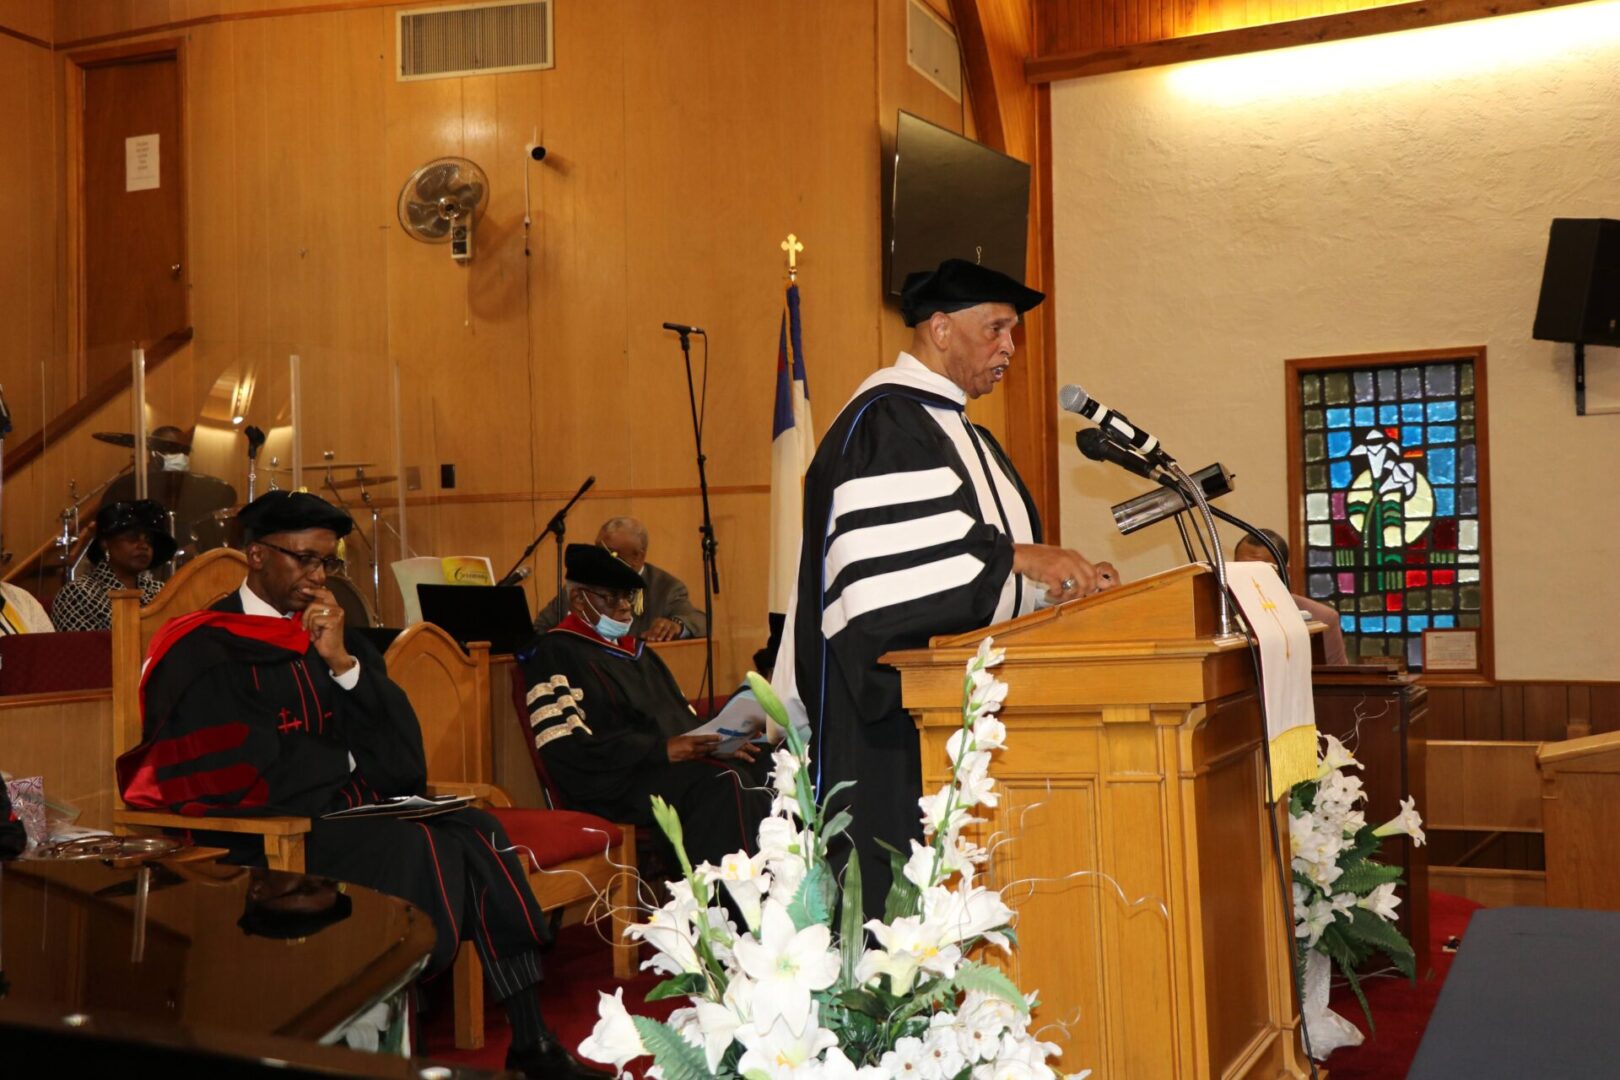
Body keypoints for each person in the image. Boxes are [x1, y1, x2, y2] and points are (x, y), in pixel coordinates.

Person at [115, 491, 606, 1080]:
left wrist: (344, 664)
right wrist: (348, 761)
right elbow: (222, 764)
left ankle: (532, 1041)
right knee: (424, 847)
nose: (318, 577)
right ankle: (398, 1049)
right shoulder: (205, 646)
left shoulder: (329, 631)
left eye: (328, 562)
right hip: (267, 831)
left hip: (348, 812)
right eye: (304, 559)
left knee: (478, 830)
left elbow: (403, 760)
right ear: (256, 555)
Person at [773, 258, 1119, 915]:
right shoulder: (884, 422)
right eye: (995, 329)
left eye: (1013, 332)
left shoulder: (970, 435)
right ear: (939, 329)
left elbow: (982, 579)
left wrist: (1061, 588)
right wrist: (1019, 558)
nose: (1010, 348)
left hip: (959, 715)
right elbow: (894, 588)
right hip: (894, 729)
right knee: (895, 916)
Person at [520, 544, 769, 869]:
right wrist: (661, 750)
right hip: (614, 784)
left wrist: (715, 743)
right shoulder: (555, 653)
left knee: (766, 765)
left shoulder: (638, 652)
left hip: (666, 769)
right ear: (579, 599)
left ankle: (782, 894)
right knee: (725, 784)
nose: (625, 607)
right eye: (612, 597)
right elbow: (565, 748)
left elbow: (676, 717)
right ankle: (723, 907)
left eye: (629, 597)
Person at [532, 517, 705, 642]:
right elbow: (540, 629)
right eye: (599, 550)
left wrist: (677, 625)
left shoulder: (666, 588)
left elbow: (699, 620)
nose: (601, 559)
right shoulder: (584, 587)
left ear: (638, 556)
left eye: (612, 553)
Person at [1233, 529, 1351, 666]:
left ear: (1283, 572)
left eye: (1261, 571)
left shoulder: (1322, 618)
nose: (1250, 578)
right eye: (1241, 568)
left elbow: (1336, 682)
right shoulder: (1215, 615)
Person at [51, 499, 172, 632]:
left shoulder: (161, 591)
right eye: (132, 537)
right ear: (105, 543)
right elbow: (81, 650)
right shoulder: (77, 593)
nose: (143, 546)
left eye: (148, 540)